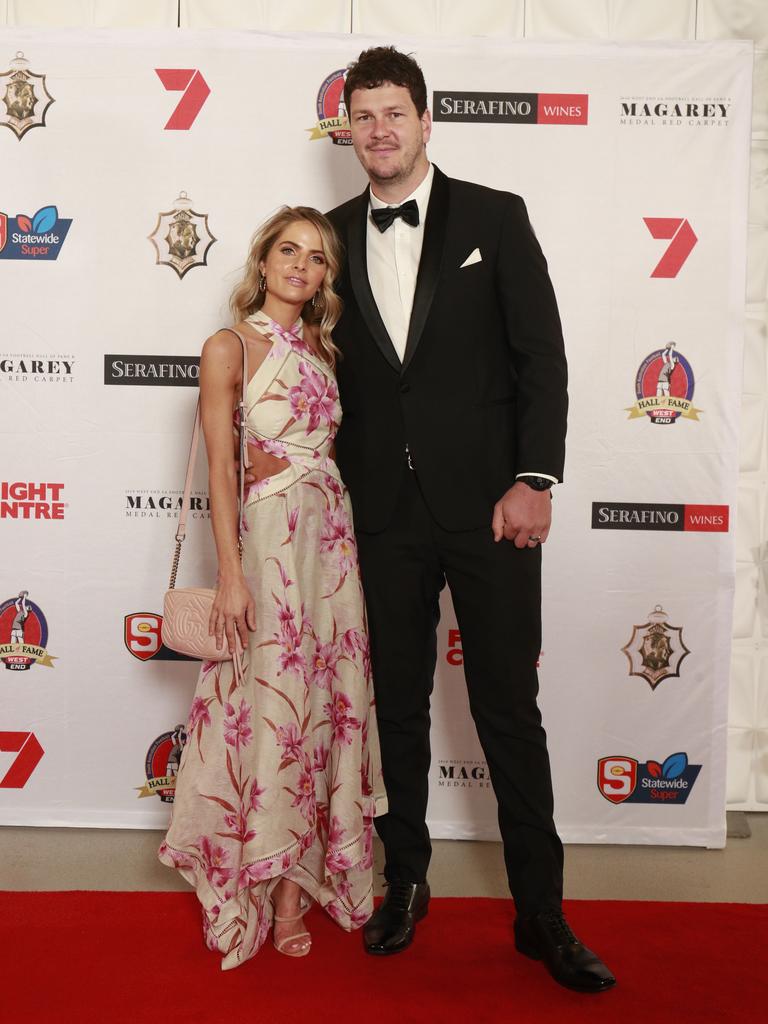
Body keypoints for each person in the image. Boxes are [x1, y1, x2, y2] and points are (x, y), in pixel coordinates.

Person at [325, 47, 615, 993]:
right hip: (383, 516)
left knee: (507, 712)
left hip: (493, 511)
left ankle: (542, 915)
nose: (379, 130)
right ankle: (403, 883)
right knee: (396, 712)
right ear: (346, 129)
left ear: (425, 119)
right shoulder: (325, 238)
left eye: (394, 113)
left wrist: (535, 478)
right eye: (362, 115)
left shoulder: (495, 215)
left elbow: (543, 357)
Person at [159, 206, 386, 969]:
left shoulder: (324, 347)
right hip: (267, 546)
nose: (300, 266)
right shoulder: (229, 347)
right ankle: (247, 877)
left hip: (332, 546)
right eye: (288, 251)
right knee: (260, 706)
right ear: (262, 262)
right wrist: (229, 574)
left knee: (318, 710)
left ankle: (294, 894)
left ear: (325, 278)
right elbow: (222, 471)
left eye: (316, 258)